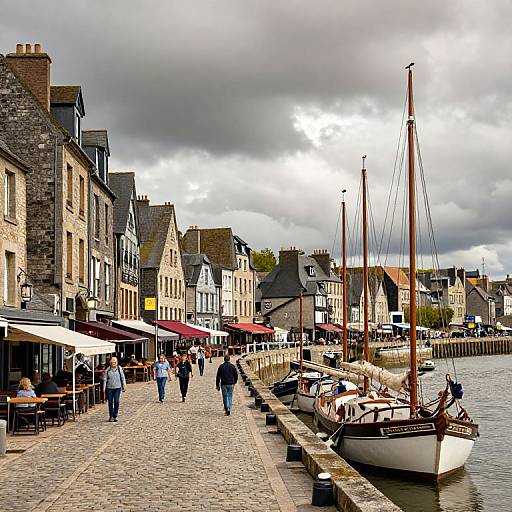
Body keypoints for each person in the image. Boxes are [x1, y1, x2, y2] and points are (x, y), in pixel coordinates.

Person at [102, 356, 126, 422]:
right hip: (109, 388)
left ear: (117, 363)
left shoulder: (119, 369)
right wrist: (104, 388)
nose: (113, 364)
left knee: (116, 401)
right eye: (112, 363)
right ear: (110, 363)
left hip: (117, 387)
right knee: (110, 402)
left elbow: (122, 377)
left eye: (114, 363)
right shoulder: (108, 370)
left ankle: (115, 415)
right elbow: (105, 379)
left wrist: (124, 386)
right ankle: (111, 416)